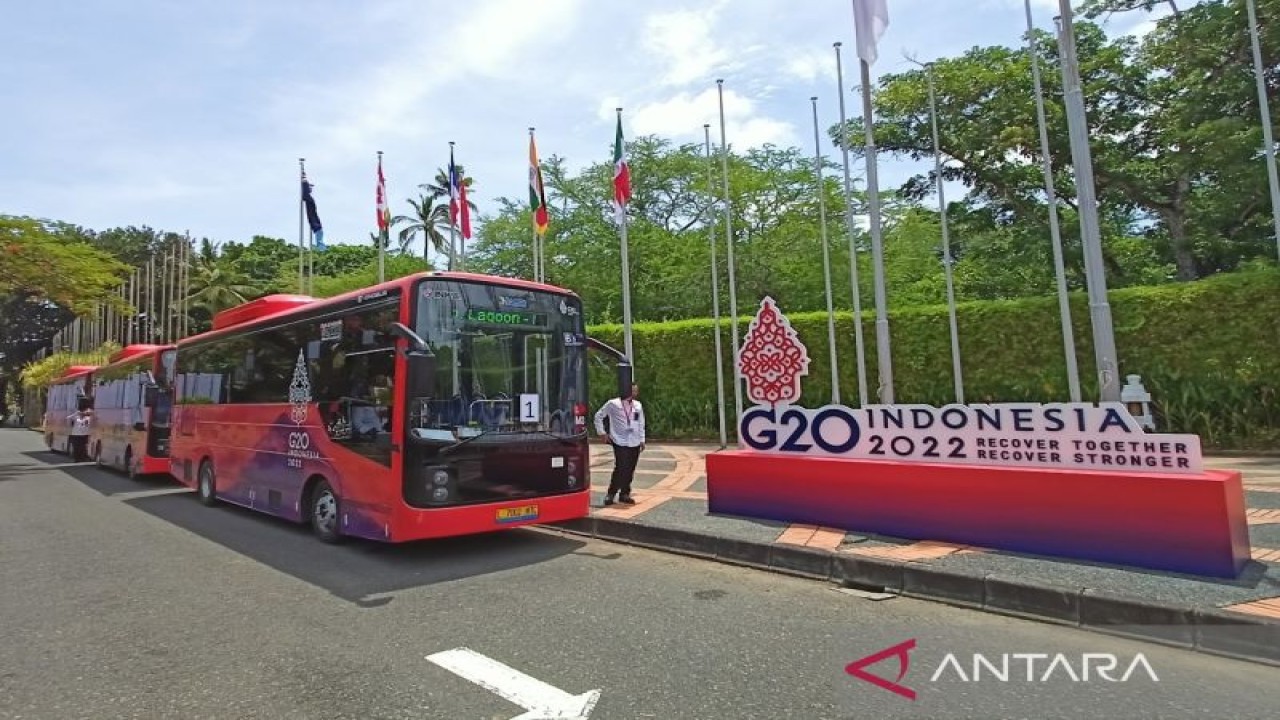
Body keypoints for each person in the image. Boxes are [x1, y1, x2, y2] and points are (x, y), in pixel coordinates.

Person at [593, 383, 645, 506]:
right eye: (632, 390)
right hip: (619, 440)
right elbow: (598, 416)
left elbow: (640, 422)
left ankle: (625, 493)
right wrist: (602, 433)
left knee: (630, 468)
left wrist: (642, 439)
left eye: (636, 391)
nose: (634, 393)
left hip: (634, 440)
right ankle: (611, 493)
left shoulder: (638, 405)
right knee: (621, 467)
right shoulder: (613, 404)